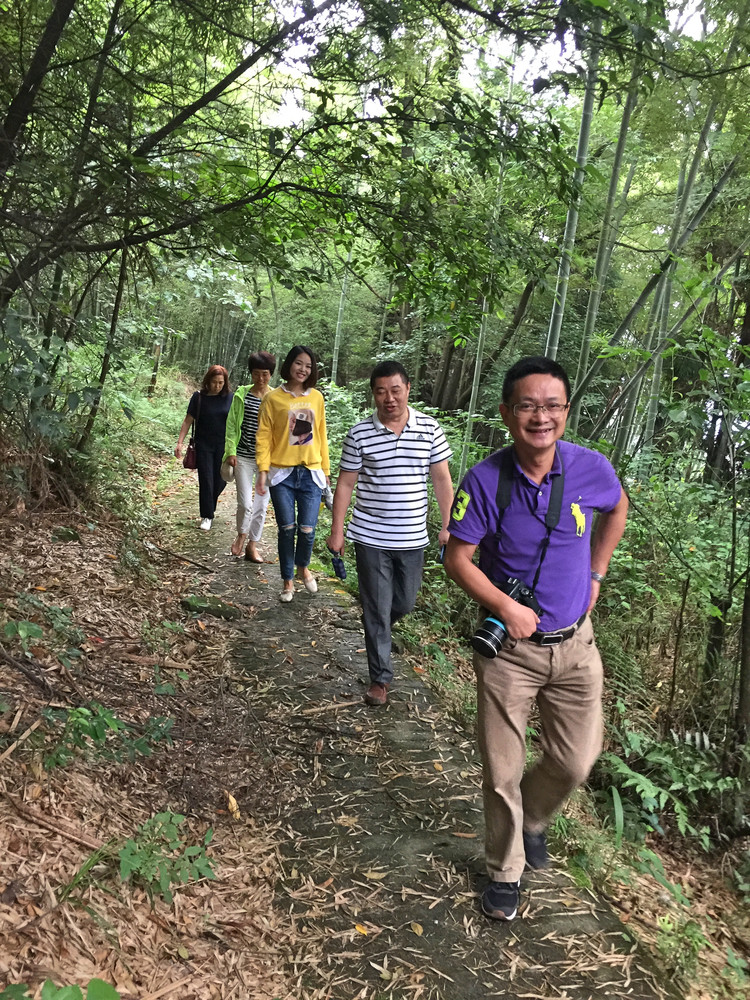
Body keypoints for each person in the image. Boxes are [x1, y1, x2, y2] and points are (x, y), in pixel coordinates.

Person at [444, 356, 628, 922]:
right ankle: (506, 869)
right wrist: (503, 606)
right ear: (506, 413)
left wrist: (596, 574)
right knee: (502, 771)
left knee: (577, 761)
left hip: (576, 647)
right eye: (527, 405)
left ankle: (536, 818)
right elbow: (457, 557)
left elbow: (617, 507)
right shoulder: (485, 479)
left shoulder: (589, 468)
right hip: (512, 655)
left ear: (566, 412)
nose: (540, 417)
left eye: (552, 406)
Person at [327, 360, 454, 707]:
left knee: (404, 602)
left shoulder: (430, 430)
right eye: (381, 392)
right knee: (378, 607)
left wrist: (448, 525)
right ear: (373, 395)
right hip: (369, 536)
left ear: (408, 389)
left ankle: (376, 624)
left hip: (412, 538)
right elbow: (345, 485)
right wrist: (337, 531)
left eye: (395, 390)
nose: (389, 398)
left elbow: (442, 480)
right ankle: (379, 678)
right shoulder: (359, 434)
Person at [255, 346, 330, 602]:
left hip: (311, 472)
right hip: (282, 474)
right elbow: (263, 436)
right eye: (299, 364)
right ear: (289, 365)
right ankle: (288, 581)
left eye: (308, 366)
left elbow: (321, 436)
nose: (303, 370)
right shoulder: (273, 398)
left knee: (308, 529)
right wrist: (263, 470)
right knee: (287, 529)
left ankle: (303, 567)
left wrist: (326, 471)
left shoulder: (317, 398)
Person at [223, 351, 276, 562]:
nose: (260, 379)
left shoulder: (275, 397)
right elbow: (232, 425)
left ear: (271, 374)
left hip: (267, 461)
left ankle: (253, 545)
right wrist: (230, 452)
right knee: (245, 503)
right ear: (251, 373)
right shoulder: (241, 395)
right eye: (256, 374)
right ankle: (241, 535)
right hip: (243, 457)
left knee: (262, 505)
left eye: (265, 374)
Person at [175, 365, 233, 530]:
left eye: (221, 383)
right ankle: (207, 515)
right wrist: (180, 442)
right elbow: (188, 420)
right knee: (206, 480)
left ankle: (209, 504)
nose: (217, 386)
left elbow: (237, 424)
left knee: (222, 479)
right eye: (214, 382)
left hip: (223, 445)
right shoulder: (198, 397)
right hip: (203, 445)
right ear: (208, 381)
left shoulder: (230, 398)